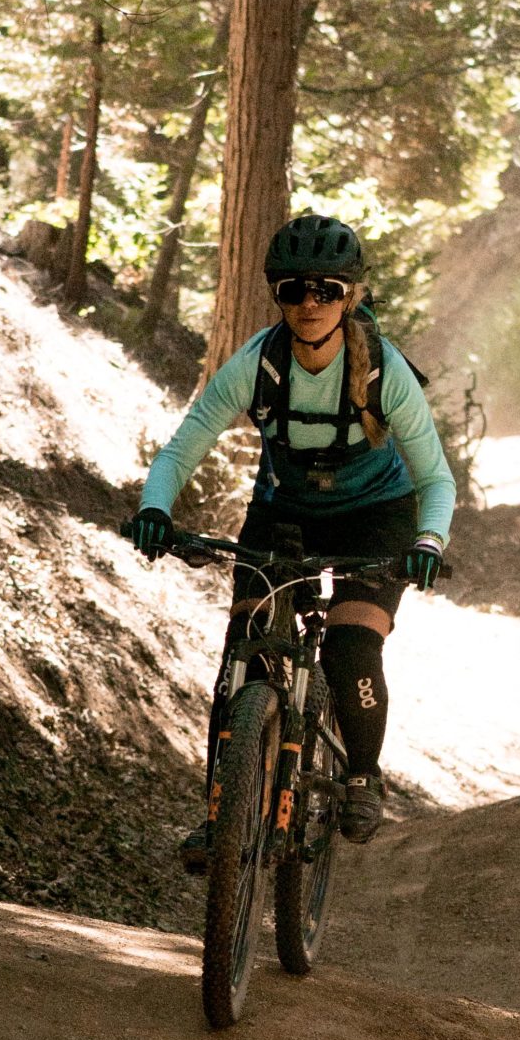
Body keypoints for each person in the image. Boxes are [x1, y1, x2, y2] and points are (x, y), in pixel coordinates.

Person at [129, 214, 452, 860]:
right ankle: (222, 813)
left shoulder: (383, 372)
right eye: (294, 289)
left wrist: (428, 542)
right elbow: (182, 448)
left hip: (377, 515)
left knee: (351, 650)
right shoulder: (257, 365)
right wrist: (155, 509)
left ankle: (361, 774)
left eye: (328, 289)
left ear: (350, 297)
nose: (310, 303)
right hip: (283, 513)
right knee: (240, 654)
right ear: (277, 293)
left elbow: (436, 479)